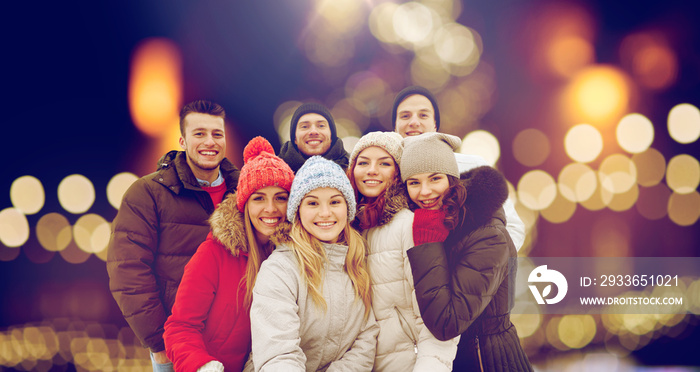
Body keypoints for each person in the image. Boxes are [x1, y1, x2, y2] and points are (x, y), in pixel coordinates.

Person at [107, 100, 240, 371]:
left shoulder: (243, 193)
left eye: (217, 134)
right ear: (182, 140)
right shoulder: (147, 193)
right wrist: (158, 344)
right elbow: (128, 272)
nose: (209, 142)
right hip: (177, 346)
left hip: (238, 343)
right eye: (199, 133)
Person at [400, 132, 533, 371]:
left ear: (452, 180)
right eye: (414, 182)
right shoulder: (443, 220)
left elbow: (446, 322)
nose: (425, 191)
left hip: (486, 359)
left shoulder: (488, 234)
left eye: (435, 179)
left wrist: (426, 244)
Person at [163, 137, 294, 371]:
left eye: (281, 198)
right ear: (244, 204)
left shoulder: (295, 256)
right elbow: (180, 327)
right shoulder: (215, 253)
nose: (271, 209)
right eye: (259, 198)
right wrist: (202, 365)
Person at [249, 156, 378, 371]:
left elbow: (366, 339)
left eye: (335, 201)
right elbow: (278, 355)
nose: (325, 213)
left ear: (348, 209)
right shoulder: (280, 269)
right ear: (298, 211)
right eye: (313, 203)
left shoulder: (357, 262)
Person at [347, 131, 458, 371]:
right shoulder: (347, 230)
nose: (372, 170)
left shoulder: (409, 225)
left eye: (384, 163)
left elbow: (435, 317)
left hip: (409, 362)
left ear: (398, 174)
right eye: (363, 162)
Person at [391, 85, 526, 251]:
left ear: (434, 125)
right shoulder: (385, 174)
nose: (413, 122)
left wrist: (480, 267)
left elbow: (513, 228)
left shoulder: (472, 166)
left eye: (423, 115)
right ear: (395, 127)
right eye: (405, 116)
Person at [278, 102, 350, 173]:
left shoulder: (353, 169)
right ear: (295, 139)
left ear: (332, 136)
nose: (313, 131)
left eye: (321, 126)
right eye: (305, 126)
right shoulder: (275, 171)